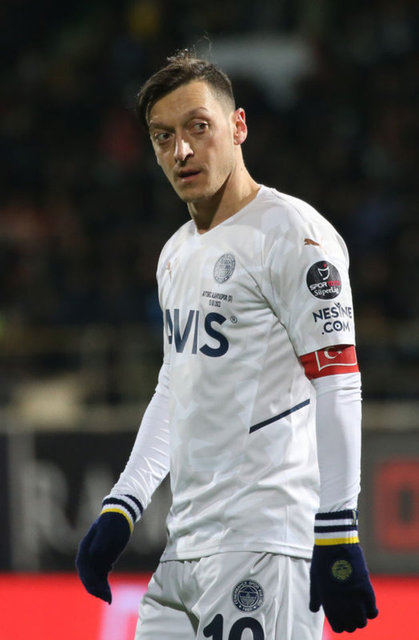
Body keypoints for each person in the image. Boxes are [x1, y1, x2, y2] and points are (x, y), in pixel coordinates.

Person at [76, 50, 378, 639]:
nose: (181, 151)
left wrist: (338, 527)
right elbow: (175, 385)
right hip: (185, 547)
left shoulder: (293, 234)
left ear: (238, 126)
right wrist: (123, 505)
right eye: (163, 136)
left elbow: (339, 383)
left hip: (265, 544)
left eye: (198, 127)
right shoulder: (175, 253)